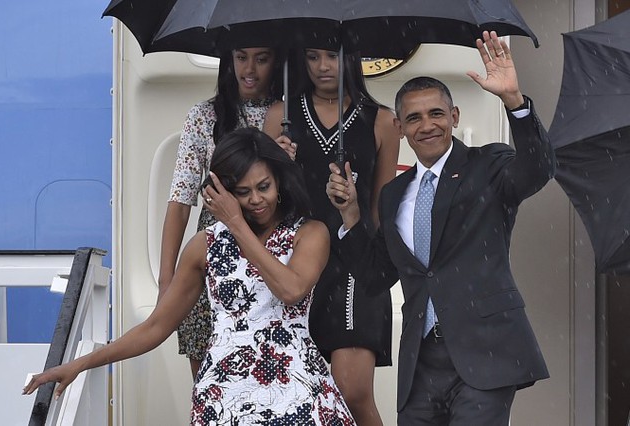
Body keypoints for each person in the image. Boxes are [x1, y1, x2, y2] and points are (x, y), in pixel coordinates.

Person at [24, 128, 356, 425]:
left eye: (264, 187)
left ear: (279, 182)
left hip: (296, 394)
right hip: (224, 398)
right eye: (242, 191)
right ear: (223, 191)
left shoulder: (310, 233)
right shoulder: (204, 246)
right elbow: (156, 327)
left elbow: (291, 289)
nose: (256, 200)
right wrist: (80, 363)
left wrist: (236, 225)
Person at [326, 31, 555, 425]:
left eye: (436, 114)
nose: (426, 125)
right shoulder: (393, 194)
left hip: (485, 352)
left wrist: (514, 102)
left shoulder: (488, 165)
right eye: (413, 118)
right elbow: (376, 275)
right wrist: (350, 216)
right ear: (399, 127)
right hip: (421, 363)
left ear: (455, 117)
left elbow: (537, 169)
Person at [263, 39, 400, 426]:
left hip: (355, 261)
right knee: (297, 392)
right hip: (296, 259)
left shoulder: (382, 120)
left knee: (351, 389)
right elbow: (261, 201)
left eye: (333, 55)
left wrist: (379, 263)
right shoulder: (279, 117)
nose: (323, 66)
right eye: (312, 56)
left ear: (353, 57)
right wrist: (276, 164)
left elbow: (381, 207)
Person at [159, 41, 283, 379]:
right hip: (212, 248)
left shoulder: (290, 114)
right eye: (241, 57)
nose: (250, 69)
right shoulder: (204, 115)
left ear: (277, 62)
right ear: (228, 62)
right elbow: (181, 198)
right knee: (208, 377)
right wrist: (166, 277)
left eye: (262, 58)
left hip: (271, 243)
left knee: (269, 372)